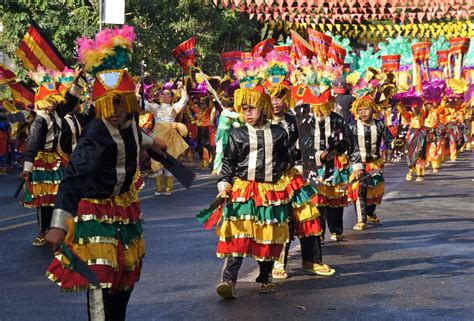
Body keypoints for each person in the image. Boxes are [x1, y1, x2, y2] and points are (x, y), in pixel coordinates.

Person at [45, 25, 167, 321]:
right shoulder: (95, 135)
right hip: (95, 211)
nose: (113, 109)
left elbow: (136, 134)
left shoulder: (131, 123)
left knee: (124, 279)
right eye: (106, 102)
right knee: (100, 278)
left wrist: (155, 143)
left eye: (118, 101)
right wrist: (59, 223)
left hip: (125, 210)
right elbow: (74, 178)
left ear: (128, 101)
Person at [21, 67, 82, 247]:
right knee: (44, 200)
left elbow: (71, 100)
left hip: (57, 159)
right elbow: (31, 145)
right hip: (41, 163)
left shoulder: (56, 113)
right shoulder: (40, 120)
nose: (53, 104)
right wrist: (27, 168)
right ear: (41, 101)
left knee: (61, 195)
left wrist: (77, 80)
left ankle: (60, 227)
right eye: (50, 101)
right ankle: (43, 230)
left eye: (55, 101)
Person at [346, 95, 394, 230]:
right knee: (359, 189)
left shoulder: (379, 125)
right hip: (357, 163)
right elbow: (349, 146)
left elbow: (390, 139)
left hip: (374, 163)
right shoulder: (351, 127)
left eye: (366, 109)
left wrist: (392, 146)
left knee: (375, 189)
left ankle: (370, 212)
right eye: (360, 110)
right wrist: (355, 165)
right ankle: (361, 220)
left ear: (372, 110)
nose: (363, 113)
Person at [145, 81, 189, 195]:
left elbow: (184, 99)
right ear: (160, 97)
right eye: (163, 94)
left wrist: (183, 88)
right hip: (158, 138)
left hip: (170, 137)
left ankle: (169, 189)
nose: (165, 96)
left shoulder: (174, 108)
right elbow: (144, 104)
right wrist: (138, 93)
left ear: (172, 98)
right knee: (157, 163)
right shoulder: (156, 108)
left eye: (168, 94)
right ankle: (158, 189)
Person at [212, 101, 241, 175]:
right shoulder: (225, 112)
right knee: (219, 151)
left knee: (228, 152)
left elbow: (236, 125)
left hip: (229, 134)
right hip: (221, 134)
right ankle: (216, 168)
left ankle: (224, 168)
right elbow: (236, 115)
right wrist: (241, 114)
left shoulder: (232, 114)